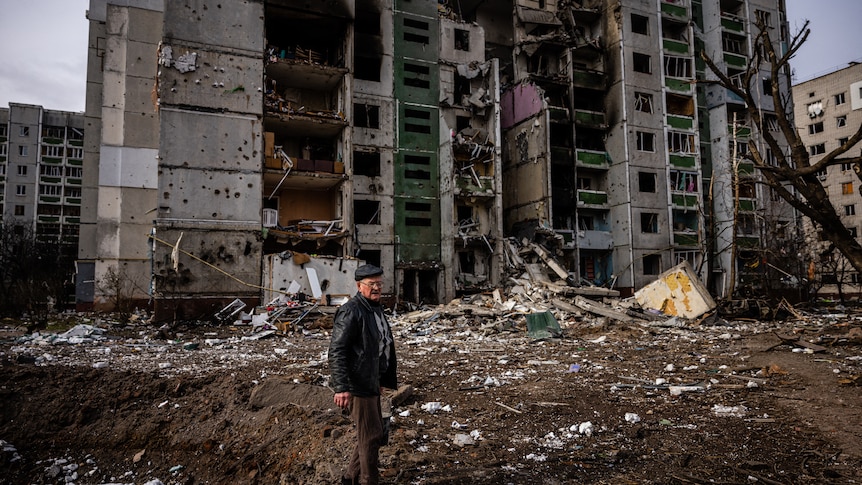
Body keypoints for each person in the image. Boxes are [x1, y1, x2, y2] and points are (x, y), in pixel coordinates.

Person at [329, 264, 397, 485]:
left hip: (369, 381)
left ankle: (350, 478)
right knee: (372, 435)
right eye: (372, 284)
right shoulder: (352, 311)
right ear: (359, 286)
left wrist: (379, 379)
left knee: (371, 433)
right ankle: (368, 480)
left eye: (379, 283)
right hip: (357, 383)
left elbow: (378, 347)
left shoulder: (374, 308)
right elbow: (337, 350)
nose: (377, 288)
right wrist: (341, 387)